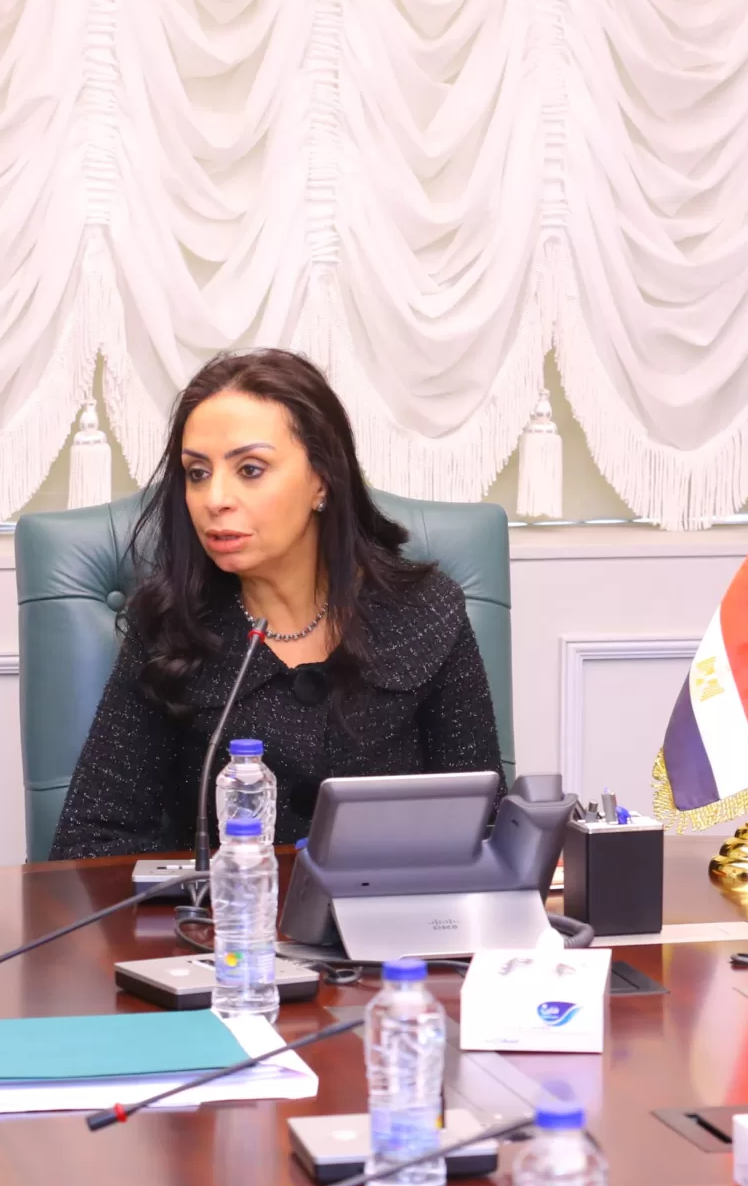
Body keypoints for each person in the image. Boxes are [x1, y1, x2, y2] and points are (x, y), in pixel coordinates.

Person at [52, 349, 503, 859]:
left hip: (391, 906)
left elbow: (485, 827)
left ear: (322, 479)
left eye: (250, 469)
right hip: (224, 909)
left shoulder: (424, 612)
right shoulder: (168, 627)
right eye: (197, 473)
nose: (214, 499)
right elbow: (88, 844)